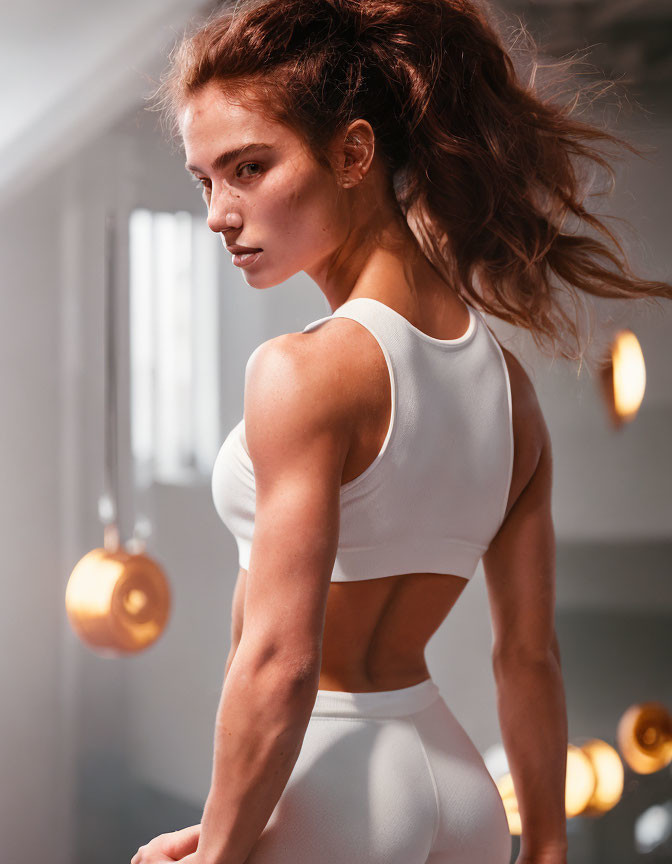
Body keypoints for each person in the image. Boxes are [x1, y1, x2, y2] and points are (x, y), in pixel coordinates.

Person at [133, 1, 672, 863]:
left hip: (331, 786)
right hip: (461, 791)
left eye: (248, 168)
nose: (218, 215)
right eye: (206, 182)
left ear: (352, 152)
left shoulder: (303, 372)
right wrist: (545, 848)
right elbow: (530, 657)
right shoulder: (511, 390)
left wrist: (220, 853)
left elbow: (280, 662)